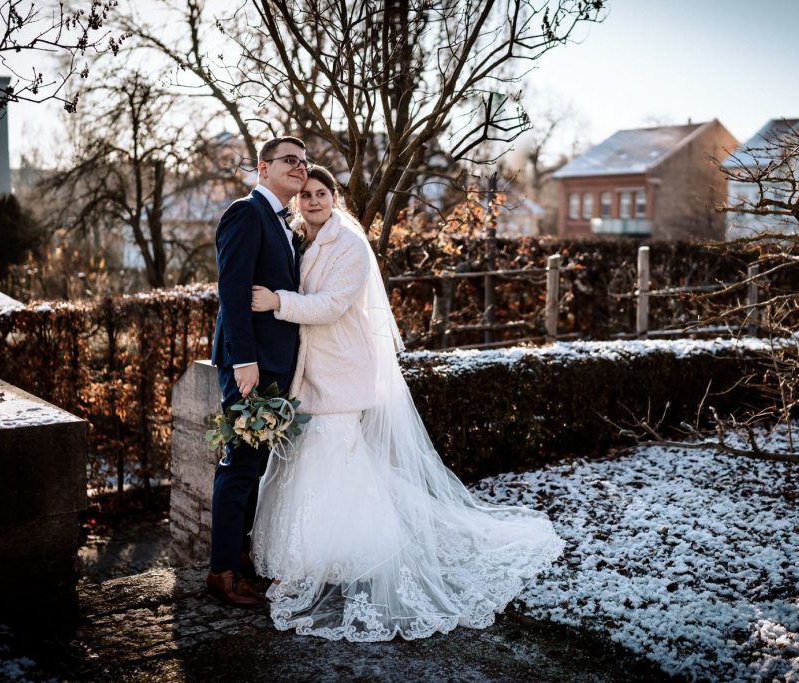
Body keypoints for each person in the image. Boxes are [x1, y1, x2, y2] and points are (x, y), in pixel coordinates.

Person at [248, 166, 564, 641]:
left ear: (335, 199)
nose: (312, 201)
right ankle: (303, 556)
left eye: (321, 193)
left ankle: (329, 558)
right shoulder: (298, 238)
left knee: (332, 462)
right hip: (305, 374)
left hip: (339, 370)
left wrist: (277, 302)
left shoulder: (350, 247)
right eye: (306, 195)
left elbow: (332, 305)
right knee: (310, 463)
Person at [207, 136, 308, 607]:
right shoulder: (246, 212)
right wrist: (243, 359)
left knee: (256, 465)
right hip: (251, 366)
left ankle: (241, 556)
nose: (300, 167)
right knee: (240, 464)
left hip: (274, 367)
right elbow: (232, 289)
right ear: (263, 168)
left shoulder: (282, 221)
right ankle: (221, 572)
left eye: (305, 162)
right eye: (290, 160)